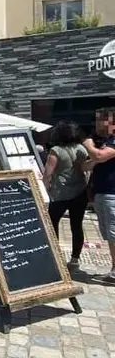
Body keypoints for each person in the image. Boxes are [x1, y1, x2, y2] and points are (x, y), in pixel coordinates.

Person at [42, 121, 88, 270]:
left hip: (60, 193)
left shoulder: (56, 150)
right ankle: (75, 259)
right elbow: (86, 168)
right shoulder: (81, 148)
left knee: (52, 223)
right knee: (76, 225)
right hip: (80, 192)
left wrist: (45, 189)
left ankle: (55, 256)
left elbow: (48, 173)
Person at [82, 110, 115, 280]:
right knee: (109, 234)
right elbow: (90, 165)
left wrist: (88, 144)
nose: (98, 124)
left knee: (114, 233)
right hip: (102, 193)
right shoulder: (106, 142)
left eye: (102, 120)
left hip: (112, 194)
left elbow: (99, 156)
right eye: (97, 121)